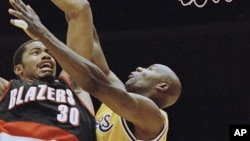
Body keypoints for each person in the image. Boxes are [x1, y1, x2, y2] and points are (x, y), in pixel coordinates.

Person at [8, 0, 182, 141]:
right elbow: (90, 37)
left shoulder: (153, 118)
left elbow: (93, 82)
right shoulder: (114, 102)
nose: (139, 67)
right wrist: (75, 11)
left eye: (150, 69)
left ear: (162, 86)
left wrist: (43, 34)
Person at [0, 0, 96, 140]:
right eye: (36, 52)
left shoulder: (73, 84)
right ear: (19, 69)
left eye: (49, 52)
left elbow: (81, 9)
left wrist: (42, 33)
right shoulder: (6, 90)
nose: (46, 55)